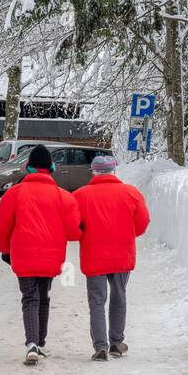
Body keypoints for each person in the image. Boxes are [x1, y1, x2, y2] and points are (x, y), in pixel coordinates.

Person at [0, 144, 81, 365]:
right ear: (51, 167)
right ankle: (40, 342)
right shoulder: (63, 197)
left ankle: (32, 343)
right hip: (51, 256)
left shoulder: (14, 193)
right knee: (44, 297)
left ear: (28, 166)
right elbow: (74, 232)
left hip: (22, 254)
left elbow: (1, 226)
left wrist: (5, 250)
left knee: (29, 298)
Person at [73, 153, 150, 361]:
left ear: (93, 171)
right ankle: (116, 342)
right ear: (114, 170)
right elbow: (143, 221)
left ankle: (100, 347)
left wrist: (83, 235)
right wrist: (126, 234)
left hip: (94, 254)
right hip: (121, 253)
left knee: (97, 300)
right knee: (119, 296)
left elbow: (72, 226)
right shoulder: (130, 193)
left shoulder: (80, 195)